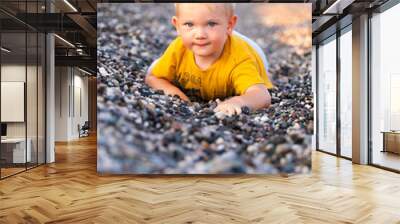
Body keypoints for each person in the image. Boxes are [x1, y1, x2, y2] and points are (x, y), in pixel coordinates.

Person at [145, 3, 273, 116]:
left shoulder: (239, 59)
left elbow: (261, 95)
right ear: (177, 26)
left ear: (230, 25)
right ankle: (162, 63)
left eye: (211, 24)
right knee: (154, 69)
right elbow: (153, 78)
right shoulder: (178, 49)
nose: (200, 35)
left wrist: (238, 102)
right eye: (189, 24)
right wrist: (180, 98)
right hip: (219, 39)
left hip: (250, 51)